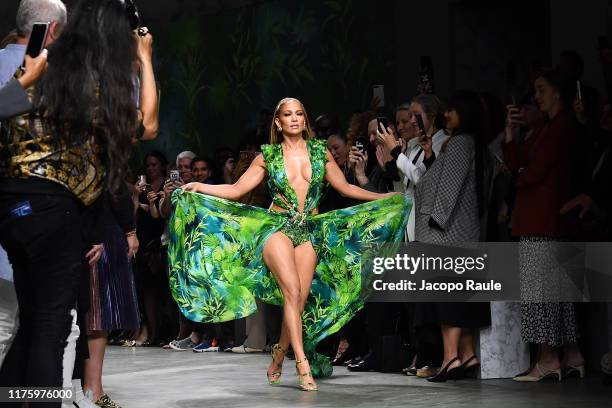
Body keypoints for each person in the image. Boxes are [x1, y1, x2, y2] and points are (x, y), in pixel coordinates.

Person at [172, 97, 410, 391]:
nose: (294, 118)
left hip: (308, 230)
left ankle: (278, 356)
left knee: (296, 301)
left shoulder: (320, 153)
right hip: (277, 228)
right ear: (278, 122)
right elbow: (236, 190)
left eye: (299, 113)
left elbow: (345, 188)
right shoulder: (268, 156)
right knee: (292, 292)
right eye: (288, 114)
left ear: (304, 120)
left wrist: (383, 198)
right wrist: (199, 186)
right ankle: (301, 363)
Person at [0, 0, 157, 401]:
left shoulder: (33, 73)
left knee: (34, 322)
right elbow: (148, 124)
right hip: (54, 211)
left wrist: (21, 83)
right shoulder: (85, 85)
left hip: (15, 211)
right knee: (51, 326)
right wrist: (145, 58)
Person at [503, 69, 585, 382]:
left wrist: (522, 174)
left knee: (542, 293)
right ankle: (573, 355)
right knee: (557, 293)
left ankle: (548, 358)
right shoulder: (549, 128)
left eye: (541, 90)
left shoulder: (561, 127)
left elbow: (531, 172)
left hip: (543, 218)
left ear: (557, 93)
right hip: (546, 218)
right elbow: (518, 163)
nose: (536, 98)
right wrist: (511, 136)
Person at [412, 90, 492, 382]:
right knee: (461, 296)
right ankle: (467, 354)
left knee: (446, 298)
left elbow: (449, 188)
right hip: (463, 232)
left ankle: (451, 358)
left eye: (452, 110)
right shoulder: (474, 144)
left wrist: (436, 220)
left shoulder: (459, 143)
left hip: (446, 234)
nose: (446, 114)